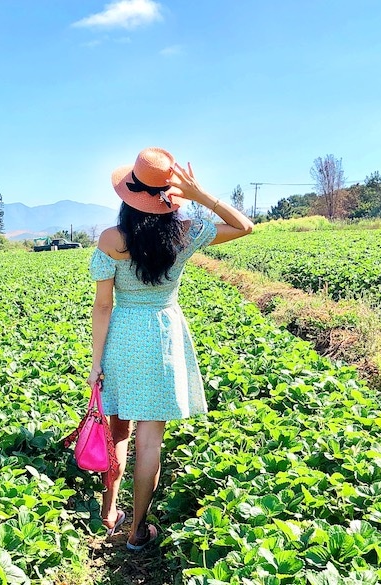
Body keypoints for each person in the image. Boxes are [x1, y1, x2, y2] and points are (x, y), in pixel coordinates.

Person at [86, 146, 254, 550]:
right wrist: (200, 196)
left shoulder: (111, 239)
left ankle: (110, 512)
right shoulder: (186, 231)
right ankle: (137, 531)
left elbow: (103, 306)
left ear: (128, 194)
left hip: (123, 336)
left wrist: (96, 364)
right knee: (150, 441)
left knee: (118, 430)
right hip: (163, 334)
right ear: (171, 196)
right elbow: (245, 227)